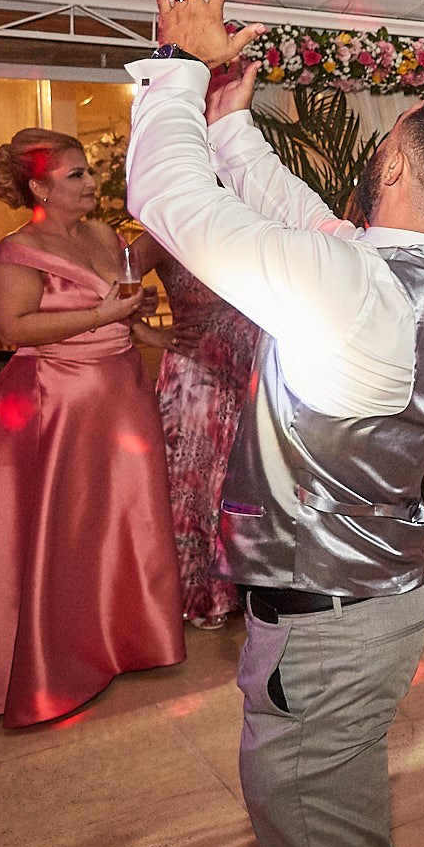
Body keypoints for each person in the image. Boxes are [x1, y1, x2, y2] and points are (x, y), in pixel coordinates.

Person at [130, 0, 424, 847]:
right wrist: (228, 120)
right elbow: (302, 218)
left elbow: (172, 202)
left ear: (391, 160)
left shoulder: (350, 285)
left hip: (328, 634)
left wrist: (176, 64)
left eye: (386, 138)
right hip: (370, 610)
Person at [0, 128, 182, 727]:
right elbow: (14, 329)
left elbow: (124, 306)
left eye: (89, 171)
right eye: (77, 174)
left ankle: (126, 639)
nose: (92, 182)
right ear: (39, 187)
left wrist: (143, 332)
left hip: (120, 392)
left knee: (122, 520)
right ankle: (52, 657)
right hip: (54, 402)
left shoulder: (105, 236)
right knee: (65, 528)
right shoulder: (15, 252)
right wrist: (103, 313)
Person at [132, 240, 260, 630]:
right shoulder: (164, 229)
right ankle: (203, 594)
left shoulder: (243, 217)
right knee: (197, 483)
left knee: (250, 479)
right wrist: (146, 332)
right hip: (196, 372)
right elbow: (104, 284)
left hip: (254, 369)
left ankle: (253, 586)